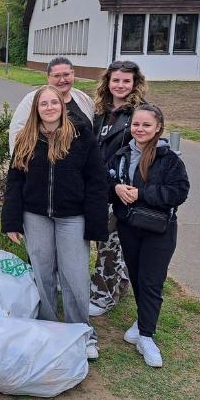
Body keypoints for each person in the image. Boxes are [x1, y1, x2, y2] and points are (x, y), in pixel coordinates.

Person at [1, 85, 108, 360]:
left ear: (62, 106)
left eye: (54, 103)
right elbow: (15, 181)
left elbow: (96, 181)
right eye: (43, 104)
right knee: (43, 272)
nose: (49, 108)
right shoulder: (26, 138)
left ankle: (82, 332)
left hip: (73, 217)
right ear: (36, 109)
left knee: (75, 275)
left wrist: (96, 225)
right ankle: (48, 326)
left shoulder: (81, 136)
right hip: (35, 216)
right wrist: (12, 220)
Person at [107, 103, 189, 367]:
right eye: (136, 124)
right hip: (130, 227)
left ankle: (146, 336)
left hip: (158, 230)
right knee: (138, 278)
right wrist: (117, 189)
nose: (139, 129)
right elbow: (106, 183)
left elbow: (178, 192)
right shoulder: (121, 155)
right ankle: (143, 321)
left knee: (152, 281)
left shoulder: (169, 159)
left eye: (146, 125)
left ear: (158, 128)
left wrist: (142, 195)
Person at [89, 60, 148, 317]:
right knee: (107, 239)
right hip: (97, 185)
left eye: (126, 81)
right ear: (108, 82)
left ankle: (104, 295)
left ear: (135, 83)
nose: (121, 85)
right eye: (116, 80)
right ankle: (119, 282)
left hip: (121, 188)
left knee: (109, 241)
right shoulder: (100, 110)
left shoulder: (138, 113)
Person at [9, 57, 95, 154]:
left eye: (66, 74)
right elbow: (17, 132)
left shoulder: (83, 98)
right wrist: (19, 162)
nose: (62, 80)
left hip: (84, 164)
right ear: (48, 77)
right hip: (45, 165)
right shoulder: (32, 100)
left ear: (73, 74)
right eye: (56, 76)